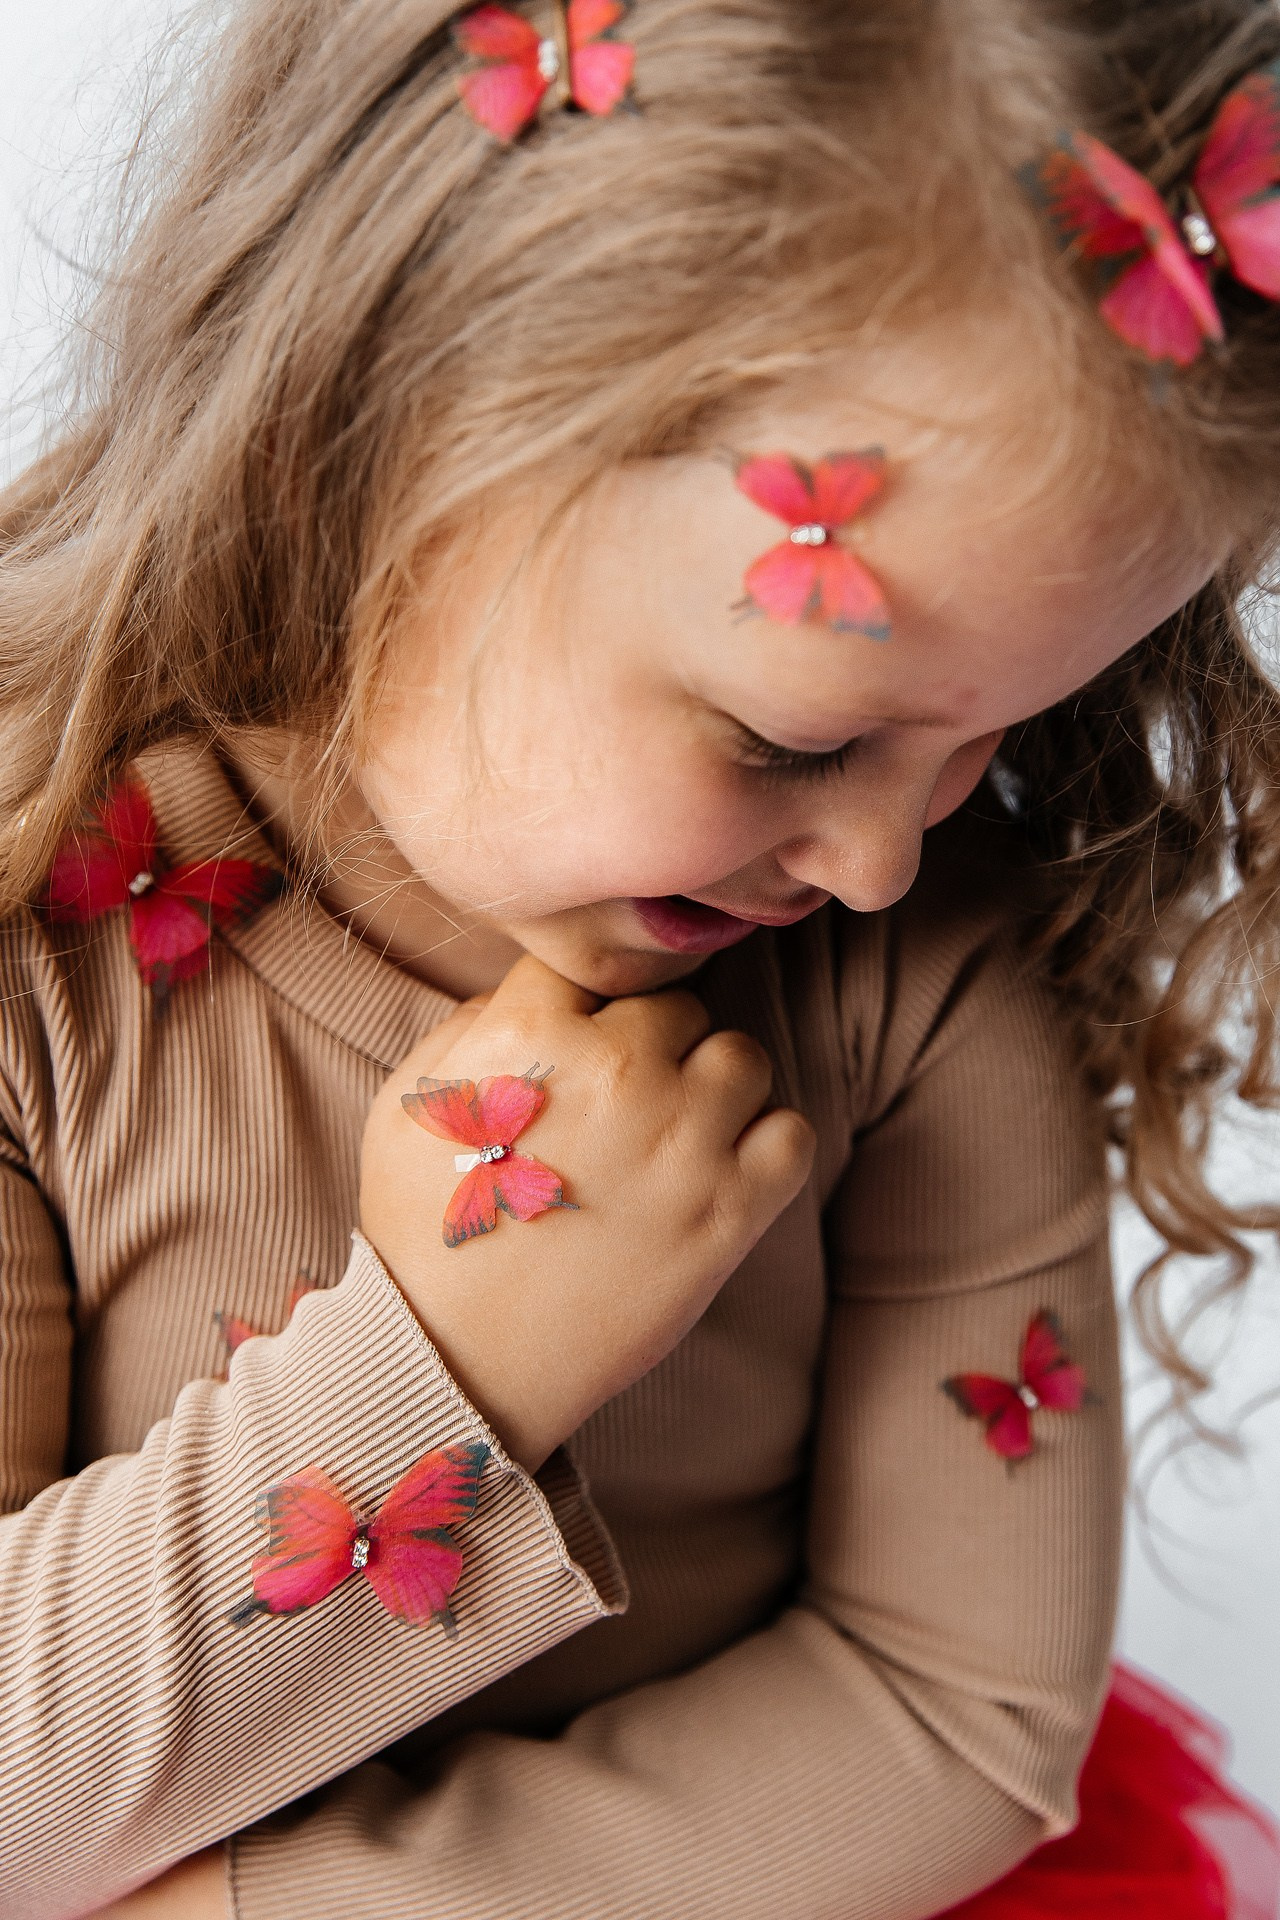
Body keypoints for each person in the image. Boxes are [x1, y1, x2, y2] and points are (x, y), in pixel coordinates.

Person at [1, 1, 1278, 1915]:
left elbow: (963, 1714)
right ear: (405, 427)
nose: (874, 862)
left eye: (997, 732)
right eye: (793, 739)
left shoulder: (917, 977)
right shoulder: (32, 929)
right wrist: (444, 1373)